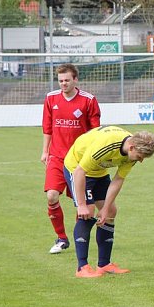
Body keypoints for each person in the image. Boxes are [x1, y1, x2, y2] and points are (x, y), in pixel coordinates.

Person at [63, 126, 154, 277]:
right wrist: (81, 205)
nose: (141, 160)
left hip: (99, 171)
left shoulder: (131, 153)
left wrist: (105, 209)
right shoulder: (106, 144)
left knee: (111, 211)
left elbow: (118, 179)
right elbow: (80, 171)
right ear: (132, 147)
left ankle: (104, 264)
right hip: (77, 167)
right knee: (88, 210)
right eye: (140, 156)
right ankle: (82, 267)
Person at [40, 64, 101, 254]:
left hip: (79, 161)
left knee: (80, 203)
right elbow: (47, 127)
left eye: (67, 80)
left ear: (75, 79)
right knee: (51, 196)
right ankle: (61, 238)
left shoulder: (89, 101)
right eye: (60, 81)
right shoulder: (51, 98)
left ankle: (78, 237)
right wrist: (45, 152)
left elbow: (95, 132)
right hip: (57, 157)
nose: (63, 84)